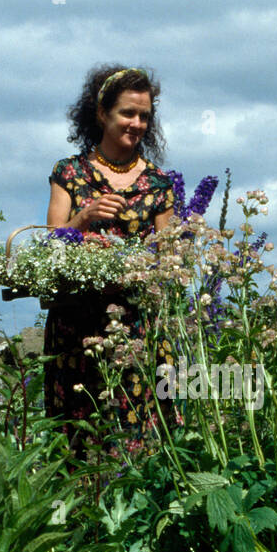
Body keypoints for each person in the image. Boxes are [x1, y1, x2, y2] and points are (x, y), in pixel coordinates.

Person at [43, 65, 177, 449]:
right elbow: (52, 243)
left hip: (137, 328)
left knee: (142, 439)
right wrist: (83, 218)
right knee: (76, 440)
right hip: (77, 332)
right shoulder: (69, 173)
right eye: (128, 113)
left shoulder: (159, 184)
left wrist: (142, 262)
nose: (137, 123)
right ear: (102, 113)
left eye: (145, 116)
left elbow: (169, 257)